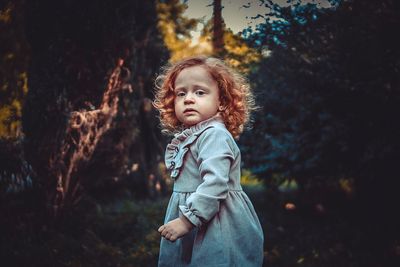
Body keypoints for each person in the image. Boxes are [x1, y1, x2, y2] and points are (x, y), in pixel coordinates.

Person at [153, 56, 264, 266]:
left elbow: (215, 183)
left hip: (216, 222)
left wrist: (186, 221)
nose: (188, 99)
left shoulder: (214, 135)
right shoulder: (196, 134)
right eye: (181, 93)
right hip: (197, 216)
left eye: (200, 92)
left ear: (221, 101)